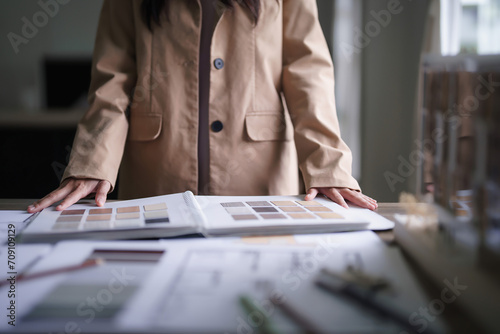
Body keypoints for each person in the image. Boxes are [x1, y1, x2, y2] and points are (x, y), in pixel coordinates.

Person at [28, 0, 377, 214]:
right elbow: (114, 79)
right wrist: (93, 162)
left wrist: (328, 165)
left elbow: (307, 72)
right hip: (157, 175)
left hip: (259, 177)